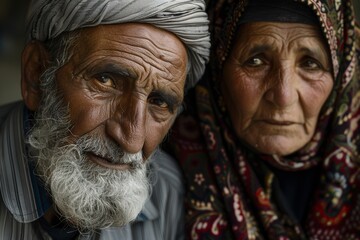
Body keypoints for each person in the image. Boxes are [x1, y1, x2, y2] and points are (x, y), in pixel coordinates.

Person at [0, 0, 210, 239]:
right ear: (36, 74)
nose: (132, 140)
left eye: (159, 102)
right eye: (106, 80)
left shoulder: (168, 193)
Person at [166, 0, 360, 239]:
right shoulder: (158, 186)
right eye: (256, 61)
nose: (283, 96)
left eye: (310, 63)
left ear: (341, 75)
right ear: (217, 67)